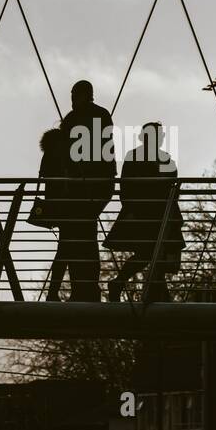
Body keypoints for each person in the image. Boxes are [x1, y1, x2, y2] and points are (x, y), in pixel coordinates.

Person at [105, 122, 183, 302]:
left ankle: (150, 291)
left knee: (153, 254)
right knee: (153, 254)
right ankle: (156, 294)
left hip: (152, 213)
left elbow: (127, 186)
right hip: (149, 214)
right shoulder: (155, 158)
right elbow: (127, 187)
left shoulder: (148, 157)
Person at [58, 79, 117, 302]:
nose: (72, 99)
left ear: (82, 94)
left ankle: (82, 289)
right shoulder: (101, 115)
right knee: (87, 236)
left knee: (76, 238)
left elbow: (66, 155)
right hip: (98, 184)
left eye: (74, 94)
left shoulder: (72, 119)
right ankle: (89, 288)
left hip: (80, 186)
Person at [28, 126, 75, 301]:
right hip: (67, 206)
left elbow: (44, 177)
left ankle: (53, 292)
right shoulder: (63, 152)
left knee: (65, 248)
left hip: (56, 205)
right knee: (66, 249)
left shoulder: (48, 153)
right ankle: (53, 292)